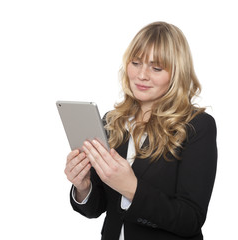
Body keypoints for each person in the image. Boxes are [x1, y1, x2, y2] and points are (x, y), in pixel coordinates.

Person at [64, 21, 217, 240]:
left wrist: (132, 188)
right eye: (135, 63)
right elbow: (98, 208)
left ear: (176, 73)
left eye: (156, 68)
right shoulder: (113, 122)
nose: (142, 75)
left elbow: (190, 219)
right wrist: (83, 186)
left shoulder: (197, 126)